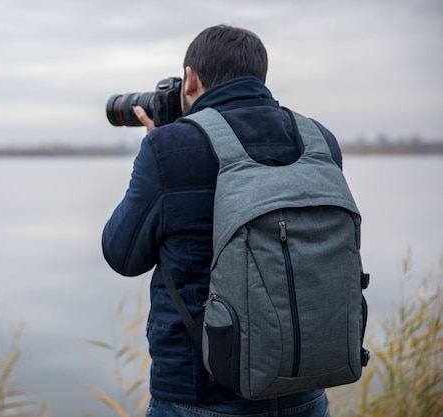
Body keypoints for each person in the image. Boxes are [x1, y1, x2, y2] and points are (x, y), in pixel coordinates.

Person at [102, 25, 340, 417]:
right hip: (306, 390)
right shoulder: (320, 141)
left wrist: (159, 147)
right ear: (259, 75)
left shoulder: (168, 148)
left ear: (190, 78)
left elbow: (121, 255)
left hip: (198, 395)